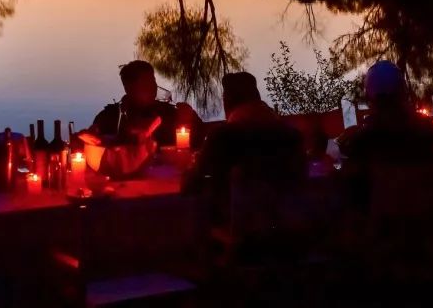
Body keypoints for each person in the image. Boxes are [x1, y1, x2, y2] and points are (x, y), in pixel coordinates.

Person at [186, 72, 305, 225]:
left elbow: (191, 186)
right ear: (257, 96)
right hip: (290, 229)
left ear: (227, 100)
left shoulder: (224, 137)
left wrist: (192, 166)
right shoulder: (291, 135)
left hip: (236, 229)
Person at [337, 60, 433, 211]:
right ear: (402, 92)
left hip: (382, 222)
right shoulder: (424, 130)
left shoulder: (364, 139)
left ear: (370, 96)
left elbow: (351, 182)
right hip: (425, 218)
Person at [89, 60, 201, 149]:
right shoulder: (109, 117)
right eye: (145, 83)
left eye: (153, 81)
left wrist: (189, 119)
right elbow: (93, 145)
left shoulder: (169, 112)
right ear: (128, 88)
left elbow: (200, 142)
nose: (153, 87)